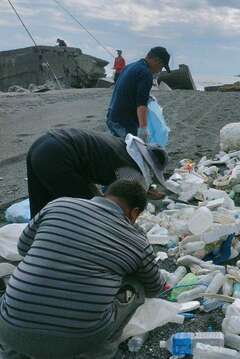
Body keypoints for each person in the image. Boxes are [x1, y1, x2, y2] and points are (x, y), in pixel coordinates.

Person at [0, 179, 164, 359]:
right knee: (136, 286)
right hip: (76, 342)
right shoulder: (137, 241)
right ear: (134, 213)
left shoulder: (59, 204)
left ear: (105, 195)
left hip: (11, 330)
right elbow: (153, 288)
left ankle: (12, 353)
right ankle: (101, 353)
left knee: (27, 276)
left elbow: (23, 248)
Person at [26, 128, 168, 217]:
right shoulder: (130, 167)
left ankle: (31, 245)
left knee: (40, 203)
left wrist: (96, 196)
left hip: (43, 144)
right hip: (59, 155)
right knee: (86, 212)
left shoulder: (122, 147)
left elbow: (86, 178)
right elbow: (119, 201)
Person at [106, 46, 171, 142]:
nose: (160, 71)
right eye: (161, 67)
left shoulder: (129, 67)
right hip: (124, 123)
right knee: (130, 153)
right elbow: (141, 104)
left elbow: (125, 90)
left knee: (115, 150)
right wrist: (143, 128)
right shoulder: (146, 73)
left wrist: (148, 97)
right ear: (156, 60)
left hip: (112, 117)